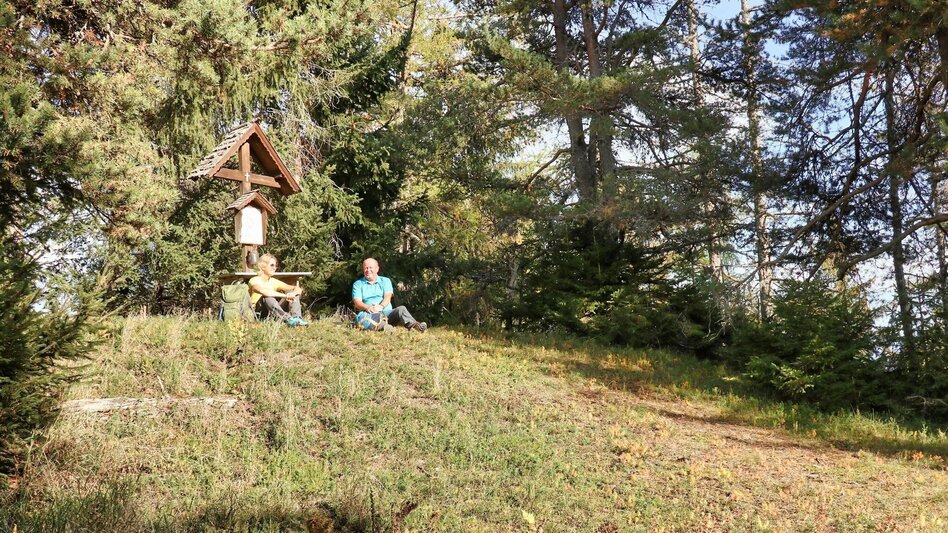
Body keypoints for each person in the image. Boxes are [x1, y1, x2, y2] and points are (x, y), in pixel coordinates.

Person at [352, 257, 427, 332]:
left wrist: (381, 306)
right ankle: (384, 327)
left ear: (377, 269)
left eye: (370, 267)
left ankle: (415, 326)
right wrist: (367, 307)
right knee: (364, 317)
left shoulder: (385, 281)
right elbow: (357, 302)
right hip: (368, 314)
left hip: (386, 313)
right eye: (366, 268)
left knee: (401, 309)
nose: (368, 270)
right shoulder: (358, 284)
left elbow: (388, 296)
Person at [249, 254, 309, 326]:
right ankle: (288, 319)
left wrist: (292, 294)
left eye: (275, 266)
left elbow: (297, 288)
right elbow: (263, 291)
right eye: (272, 265)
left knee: (292, 292)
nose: (274, 268)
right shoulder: (254, 280)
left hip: (272, 312)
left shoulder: (273, 281)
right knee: (267, 297)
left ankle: (296, 318)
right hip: (259, 313)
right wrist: (285, 296)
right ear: (263, 266)